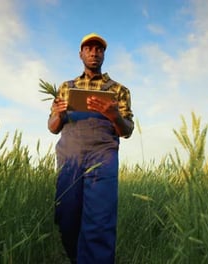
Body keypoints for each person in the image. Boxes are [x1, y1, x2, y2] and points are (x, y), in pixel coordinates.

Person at [48, 33, 134, 264]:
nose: (94, 52)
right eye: (89, 48)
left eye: (99, 49)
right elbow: (53, 127)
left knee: (100, 218)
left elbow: (126, 130)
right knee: (67, 215)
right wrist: (59, 113)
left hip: (103, 156)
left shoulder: (118, 90)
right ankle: (77, 258)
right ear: (81, 54)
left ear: (104, 54)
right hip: (70, 157)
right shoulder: (66, 87)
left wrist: (114, 114)